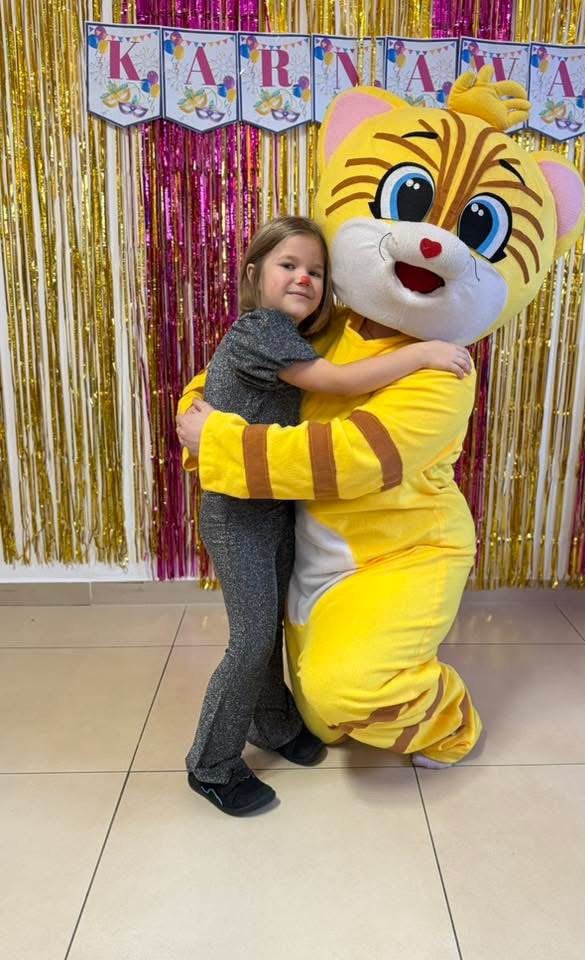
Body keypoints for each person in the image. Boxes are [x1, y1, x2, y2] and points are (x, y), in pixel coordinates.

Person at [179, 216, 472, 816]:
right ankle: (211, 764)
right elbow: (337, 381)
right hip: (238, 515)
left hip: (276, 509)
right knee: (251, 640)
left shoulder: (298, 332)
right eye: (288, 265)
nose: (303, 279)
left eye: (316, 271)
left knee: (269, 629)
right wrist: (422, 354)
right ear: (254, 274)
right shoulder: (263, 329)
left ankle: (273, 723)